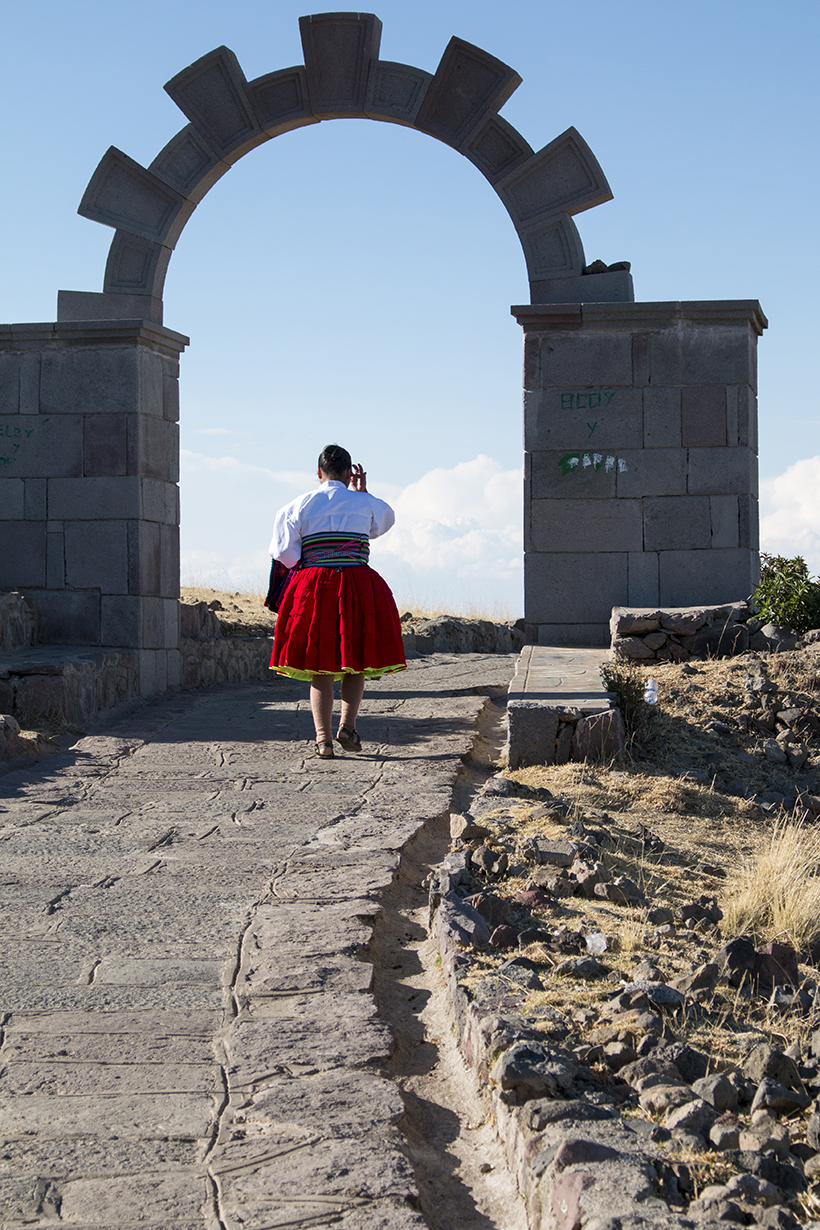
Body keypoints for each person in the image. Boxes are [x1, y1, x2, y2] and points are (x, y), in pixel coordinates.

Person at [268, 444, 406, 758]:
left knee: (320, 664)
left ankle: (323, 740)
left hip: (315, 586)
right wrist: (362, 493)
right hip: (358, 584)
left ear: (318, 472)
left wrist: (313, 558)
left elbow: (284, 553)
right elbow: (382, 524)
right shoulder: (366, 502)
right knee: (355, 660)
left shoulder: (296, 505)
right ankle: (348, 726)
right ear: (348, 473)